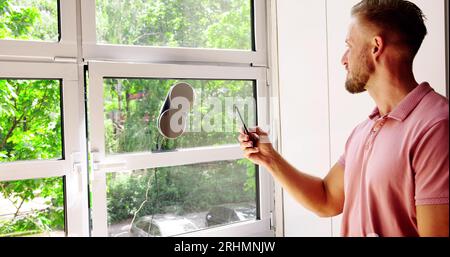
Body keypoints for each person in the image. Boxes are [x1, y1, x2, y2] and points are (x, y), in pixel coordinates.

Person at [239, 0, 448, 237]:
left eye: (349, 45)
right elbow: (327, 198)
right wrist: (271, 160)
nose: (343, 59)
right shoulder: (364, 130)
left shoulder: (437, 126)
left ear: (376, 46)